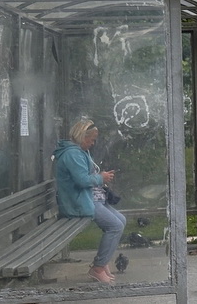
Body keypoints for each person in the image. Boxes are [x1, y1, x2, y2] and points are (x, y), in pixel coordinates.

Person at [54, 119, 126, 284]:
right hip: (79, 202)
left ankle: (103, 260)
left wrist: (101, 177)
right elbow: (82, 180)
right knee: (115, 226)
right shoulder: (73, 154)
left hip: (89, 198)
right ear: (82, 136)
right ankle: (98, 268)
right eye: (91, 140)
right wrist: (101, 178)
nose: (93, 144)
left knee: (121, 220)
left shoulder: (80, 151)